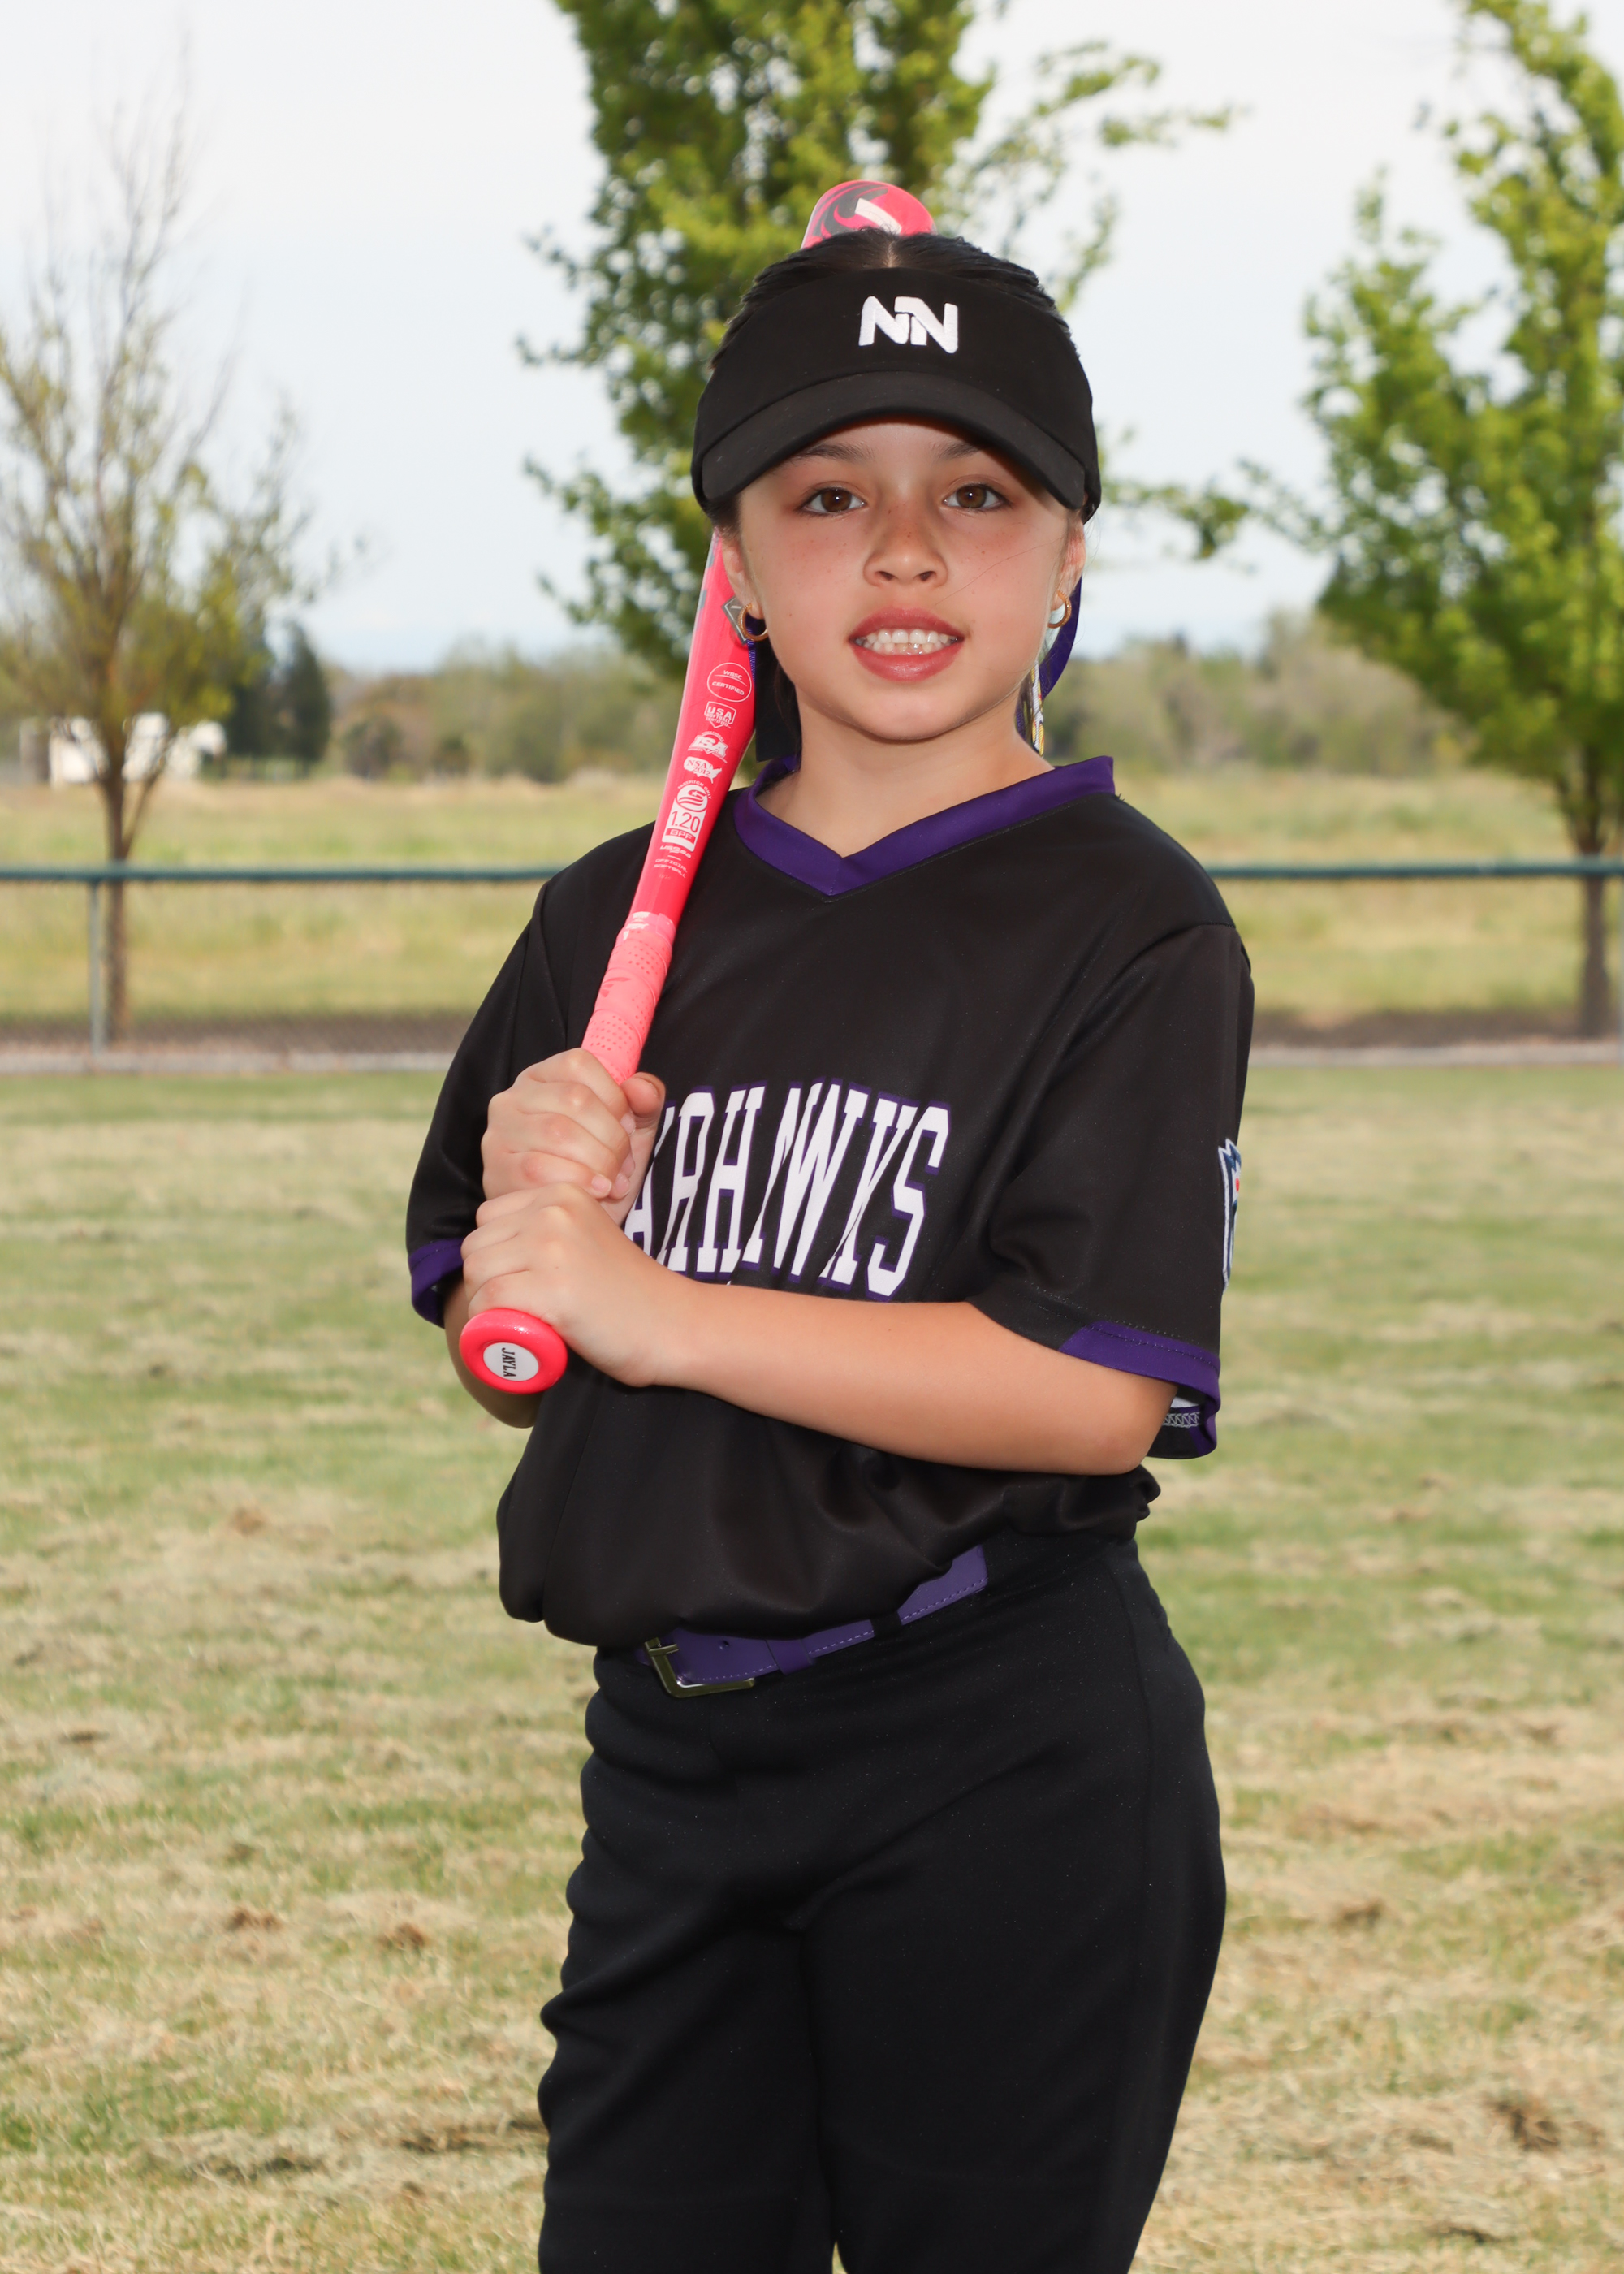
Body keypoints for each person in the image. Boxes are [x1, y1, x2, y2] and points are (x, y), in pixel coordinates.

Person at [406, 226, 1251, 2274]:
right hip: (673, 1749)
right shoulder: (616, 912)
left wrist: (652, 1304)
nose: (902, 552)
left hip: (999, 1747)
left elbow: (1085, 1386)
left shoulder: (1128, 921)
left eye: (977, 494)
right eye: (825, 496)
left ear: (1067, 556)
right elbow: (501, 1324)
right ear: (738, 568)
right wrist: (538, 1218)